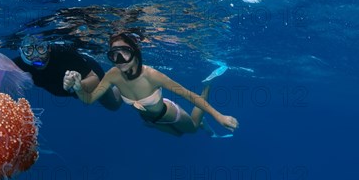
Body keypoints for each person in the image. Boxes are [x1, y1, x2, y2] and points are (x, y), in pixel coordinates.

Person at [63, 32, 239, 136]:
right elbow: (89, 100)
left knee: (192, 129)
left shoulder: (152, 75)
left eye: (123, 52)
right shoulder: (113, 75)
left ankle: (208, 84)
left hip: (169, 114)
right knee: (178, 135)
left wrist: (219, 116)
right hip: (150, 119)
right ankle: (202, 123)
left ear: (135, 52)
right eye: (113, 54)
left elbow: (188, 95)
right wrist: (78, 88)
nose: (118, 59)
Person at [12, 35, 121, 110]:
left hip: (89, 72)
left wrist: (78, 85)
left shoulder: (64, 54)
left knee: (113, 104)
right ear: (21, 51)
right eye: (28, 50)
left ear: (48, 48)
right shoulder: (17, 64)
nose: (36, 55)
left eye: (41, 48)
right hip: (70, 90)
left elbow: (94, 78)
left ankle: (120, 79)